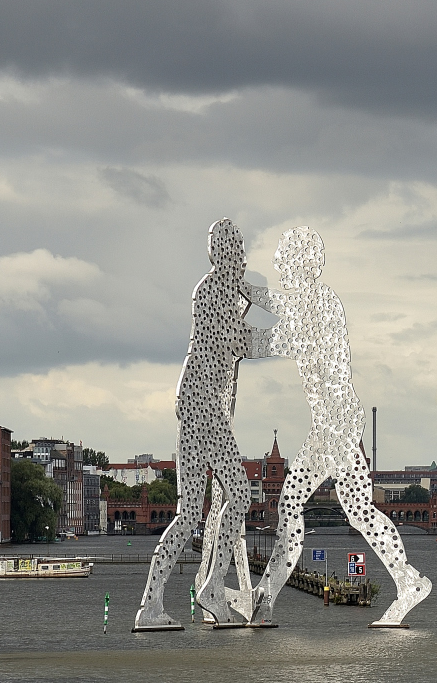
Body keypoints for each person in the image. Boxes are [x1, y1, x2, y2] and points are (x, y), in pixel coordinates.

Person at [249, 226, 432, 627]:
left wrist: (232, 312)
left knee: (291, 504)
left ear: (304, 263)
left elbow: (268, 341)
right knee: (358, 510)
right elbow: (279, 309)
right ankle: (408, 581)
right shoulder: (310, 301)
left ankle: (264, 598)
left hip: (334, 422)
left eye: (285, 260)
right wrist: (244, 291)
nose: (280, 267)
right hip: (338, 420)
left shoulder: (320, 303)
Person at [134, 218, 277, 631]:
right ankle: (207, 588)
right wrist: (293, 330)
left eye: (243, 253)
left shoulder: (217, 292)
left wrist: (255, 297)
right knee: (232, 497)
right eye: (237, 253)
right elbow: (248, 343)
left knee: (192, 510)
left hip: (198, 407)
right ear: (220, 255)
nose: (242, 260)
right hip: (204, 411)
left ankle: (155, 603)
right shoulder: (214, 292)